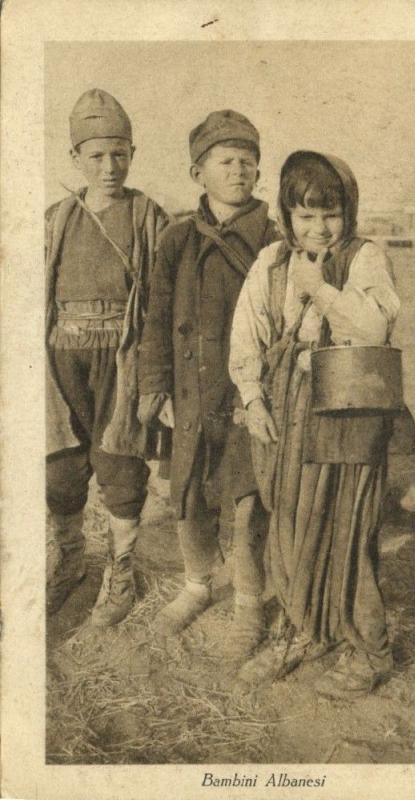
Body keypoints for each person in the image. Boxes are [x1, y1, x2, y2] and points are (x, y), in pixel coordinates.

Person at [229, 150, 415, 696]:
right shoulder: (270, 261)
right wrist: (252, 400)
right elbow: (248, 333)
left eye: (329, 214)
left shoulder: (365, 258)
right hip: (287, 411)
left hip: (349, 411)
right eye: (305, 215)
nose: (318, 227)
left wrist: (319, 289)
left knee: (346, 530)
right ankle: (301, 631)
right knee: (289, 526)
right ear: (287, 216)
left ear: (347, 211)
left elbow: (373, 327)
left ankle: (370, 648)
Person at [137, 110, 280, 659]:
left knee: (249, 501)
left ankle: (248, 600)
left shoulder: (274, 237)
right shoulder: (177, 239)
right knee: (189, 492)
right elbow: (155, 317)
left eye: (248, 161)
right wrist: (157, 388)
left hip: (250, 397)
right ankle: (198, 584)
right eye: (226, 161)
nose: (239, 171)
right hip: (190, 393)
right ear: (198, 173)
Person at [46, 88, 169, 626]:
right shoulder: (55, 219)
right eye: (96, 155)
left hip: (122, 357)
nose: (109, 166)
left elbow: (164, 298)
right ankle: (71, 560)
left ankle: (121, 570)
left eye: (119, 153)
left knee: (119, 463)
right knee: (60, 466)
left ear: (133, 153)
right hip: (60, 357)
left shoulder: (147, 215)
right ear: (75, 158)